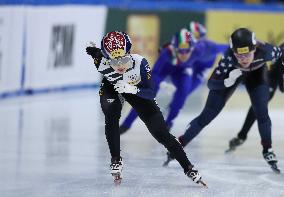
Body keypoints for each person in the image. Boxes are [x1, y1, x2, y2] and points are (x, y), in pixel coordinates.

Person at [85, 31, 207, 186]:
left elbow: (150, 93)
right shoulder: (102, 63)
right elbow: (96, 54)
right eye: (114, 62)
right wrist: (93, 49)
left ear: (129, 53)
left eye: (123, 59)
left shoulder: (140, 63)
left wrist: (132, 89)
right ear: (107, 59)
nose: (120, 65)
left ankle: (188, 167)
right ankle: (116, 159)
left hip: (136, 90)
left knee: (161, 133)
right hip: (112, 87)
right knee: (111, 115)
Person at [164, 28, 283, 173]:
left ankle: (267, 149)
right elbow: (211, 84)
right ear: (233, 53)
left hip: (257, 74)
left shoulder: (267, 51)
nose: (244, 59)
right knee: (207, 115)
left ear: (255, 49)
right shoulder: (228, 58)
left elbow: (281, 52)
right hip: (231, 74)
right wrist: (227, 81)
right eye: (239, 56)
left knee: (261, 111)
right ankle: (180, 144)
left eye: (247, 54)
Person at [119, 24, 228, 134]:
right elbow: (155, 73)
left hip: (186, 70)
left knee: (184, 92)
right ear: (174, 48)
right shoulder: (167, 53)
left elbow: (226, 48)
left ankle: (168, 123)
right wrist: (159, 85)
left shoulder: (203, 48)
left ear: (193, 47)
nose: (184, 54)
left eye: (187, 51)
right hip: (167, 68)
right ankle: (126, 124)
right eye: (180, 51)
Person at [226, 43, 284, 153]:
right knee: (258, 107)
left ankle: (241, 136)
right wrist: (281, 85)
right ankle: (242, 136)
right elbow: (278, 70)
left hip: (274, 76)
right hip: (269, 78)